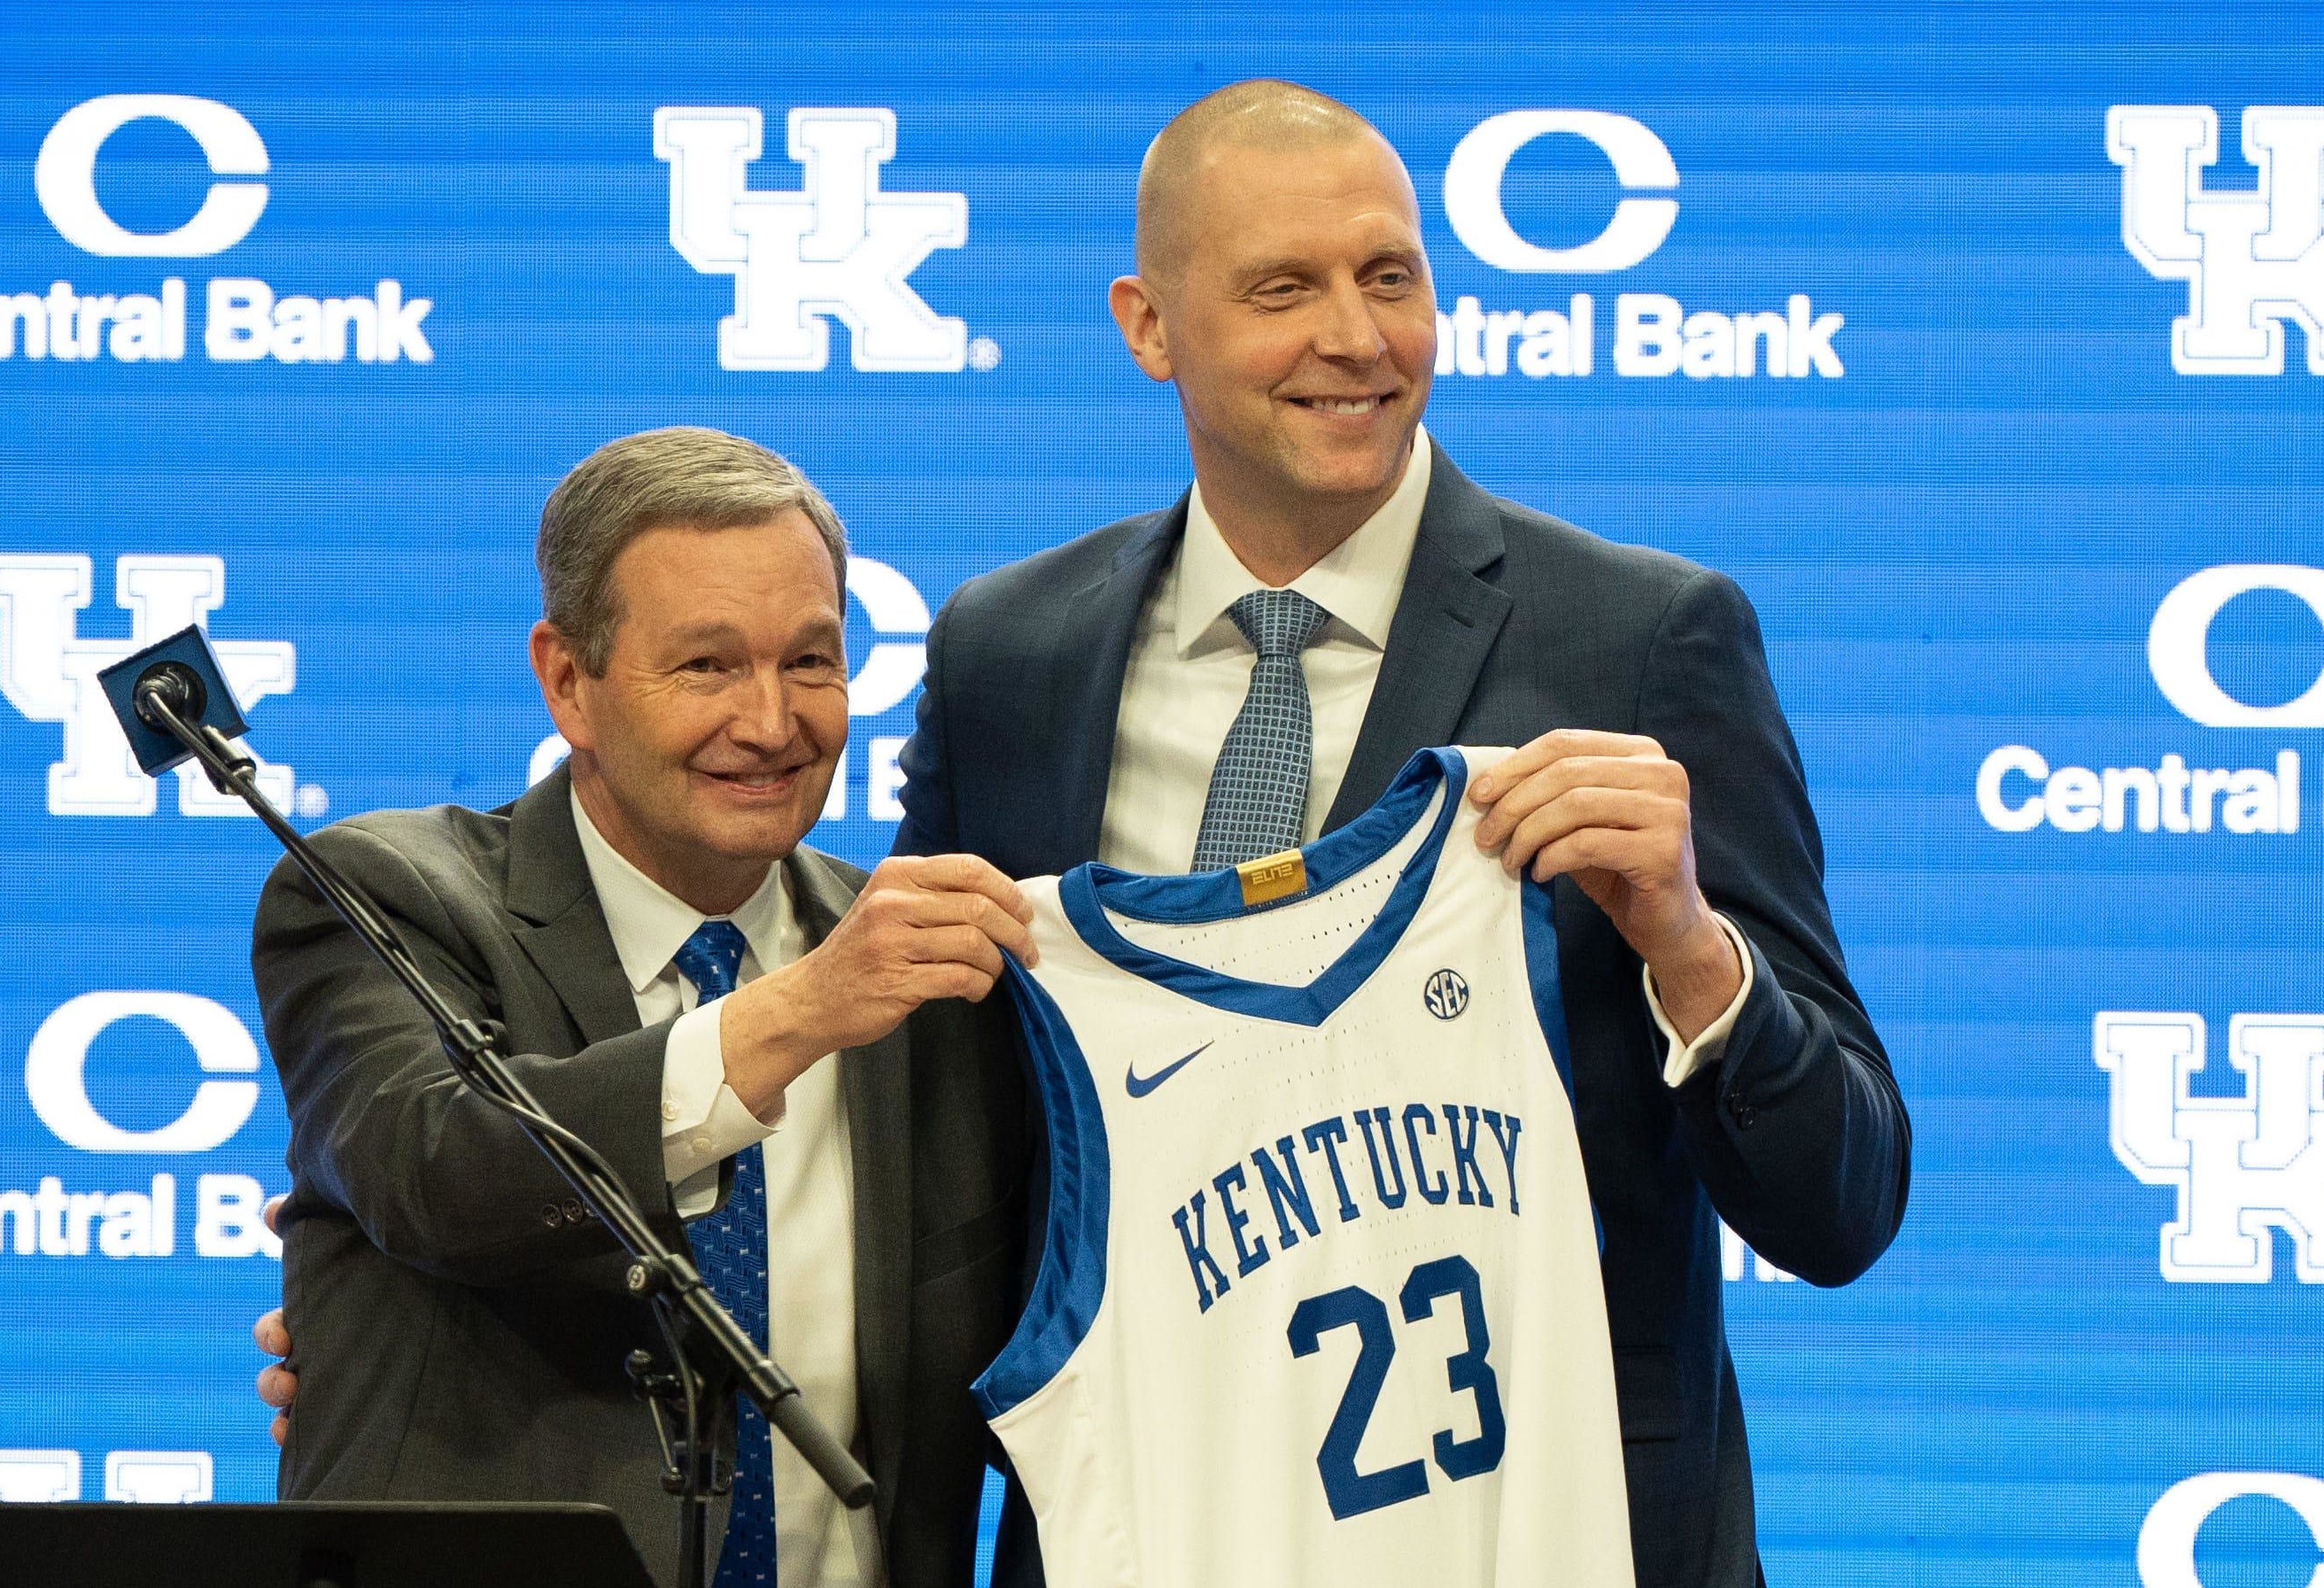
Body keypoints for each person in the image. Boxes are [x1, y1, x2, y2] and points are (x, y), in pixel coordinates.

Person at [887, 81, 1909, 1586]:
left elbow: (1846, 1202)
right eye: (1282, 289)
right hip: (1144, 1526)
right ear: (1148, 325)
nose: (1357, 339)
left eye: (1391, 277)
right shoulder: (1008, 657)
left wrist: (1691, 947)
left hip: (1543, 1533)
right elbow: (957, 1161)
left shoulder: (1641, 640)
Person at [252, 426, 1038, 1588]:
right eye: (709, 666)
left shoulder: (928, 981)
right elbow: (440, 1170)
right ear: (569, 680)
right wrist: (799, 1010)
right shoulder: (381, 895)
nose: (772, 722)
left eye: (813, 662)